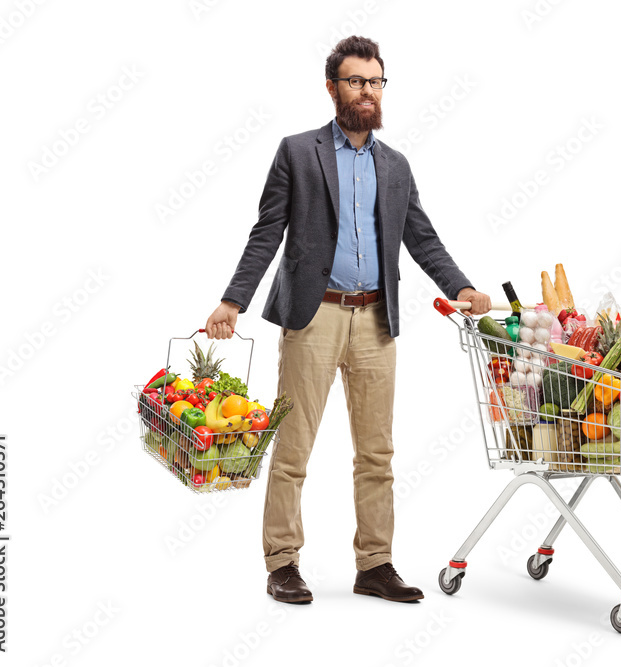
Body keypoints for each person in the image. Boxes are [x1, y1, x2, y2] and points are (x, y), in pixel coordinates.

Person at [205, 35, 491, 604]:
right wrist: (232, 300)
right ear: (333, 87)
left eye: (376, 81)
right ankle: (282, 562)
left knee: (377, 452)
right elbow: (267, 231)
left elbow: (420, 236)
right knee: (292, 448)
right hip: (314, 318)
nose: (367, 91)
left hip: (375, 323)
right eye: (356, 81)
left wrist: (460, 286)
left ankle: (375, 564)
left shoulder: (396, 165)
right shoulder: (298, 151)